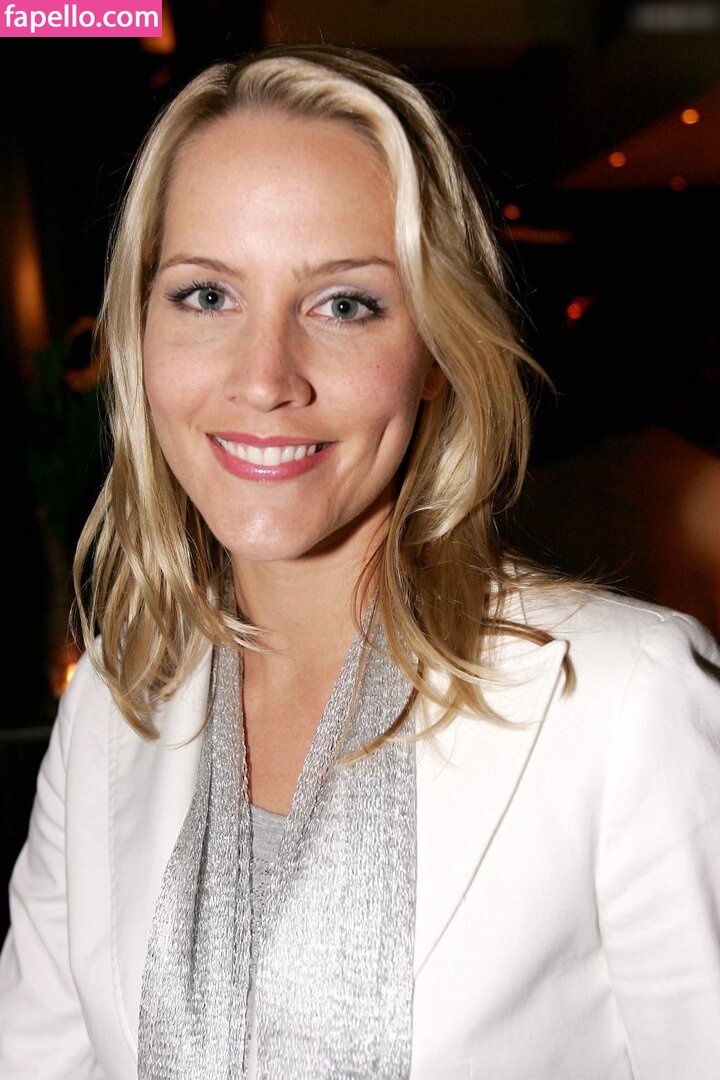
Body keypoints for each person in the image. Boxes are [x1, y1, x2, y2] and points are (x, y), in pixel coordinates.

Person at [1, 43, 719, 1080]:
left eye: (345, 304)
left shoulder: (627, 703)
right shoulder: (113, 700)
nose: (264, 378)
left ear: (436, 350)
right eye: (206, 295)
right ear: (139, 331)